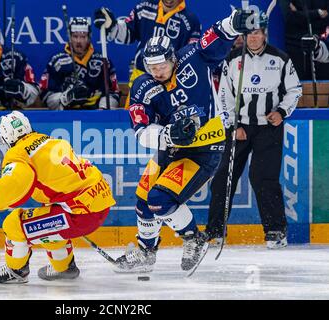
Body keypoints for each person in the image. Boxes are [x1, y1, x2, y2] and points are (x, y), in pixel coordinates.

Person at [114, 9, 254, 274]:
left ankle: (194, 239)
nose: (157, 72)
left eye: (162, 66)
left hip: (203, 149)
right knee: (144, 199)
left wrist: (235, 23)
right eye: (151, 67)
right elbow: (141, 129)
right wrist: (166, 135)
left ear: (172, 58)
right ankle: (146, 252)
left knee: (159, 200)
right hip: (171, 148)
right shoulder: (143, 86)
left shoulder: (193, 58)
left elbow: (217, 34)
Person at [0, 111, 116, 284]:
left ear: (5, 138)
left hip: (79, 214)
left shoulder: (18, 154)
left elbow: (16, 182)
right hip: (99, 200)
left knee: (14, 224)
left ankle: (16, 271)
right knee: (47, 221)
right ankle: (64, 268)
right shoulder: (52, 141)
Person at [205, 12, 302, 249]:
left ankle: (276, 231)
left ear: (264, 34)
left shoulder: (280, 59)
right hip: (240, 129)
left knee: (263, 179)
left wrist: (281, 111)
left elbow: (294, 90)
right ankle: (215, 232)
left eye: (256, 33)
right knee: (222, 180)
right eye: (248, 34)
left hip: (268, 128)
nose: (252, 38)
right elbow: (224, 96)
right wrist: (232, 124)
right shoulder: (232, 59)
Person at [93, 0, 201, 108]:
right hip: (141, 76)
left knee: (164, 121)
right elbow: (128, 34)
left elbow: (190, 55)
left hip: (171, 81)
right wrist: (112, 26)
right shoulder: (144, 8)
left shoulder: (191, 20)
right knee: (134, 118)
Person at [40, 17, 120, 110]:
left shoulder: (103, 62)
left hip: (95, 115)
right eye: (75, 36)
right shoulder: (56, 61)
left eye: (83, 36)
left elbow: (113, 92)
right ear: (69, 37)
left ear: (89, 37)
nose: (78, 41)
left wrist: (102, 109)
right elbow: (45, 95)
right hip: (65, 115)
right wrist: (65, 98)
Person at [280, 0, 329, 80]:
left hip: (322, 46)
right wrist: (318, 13)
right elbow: (289, 17)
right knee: (296, 87)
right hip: (295, 47)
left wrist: (299, 13)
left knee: (323, 86)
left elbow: (327, 18)